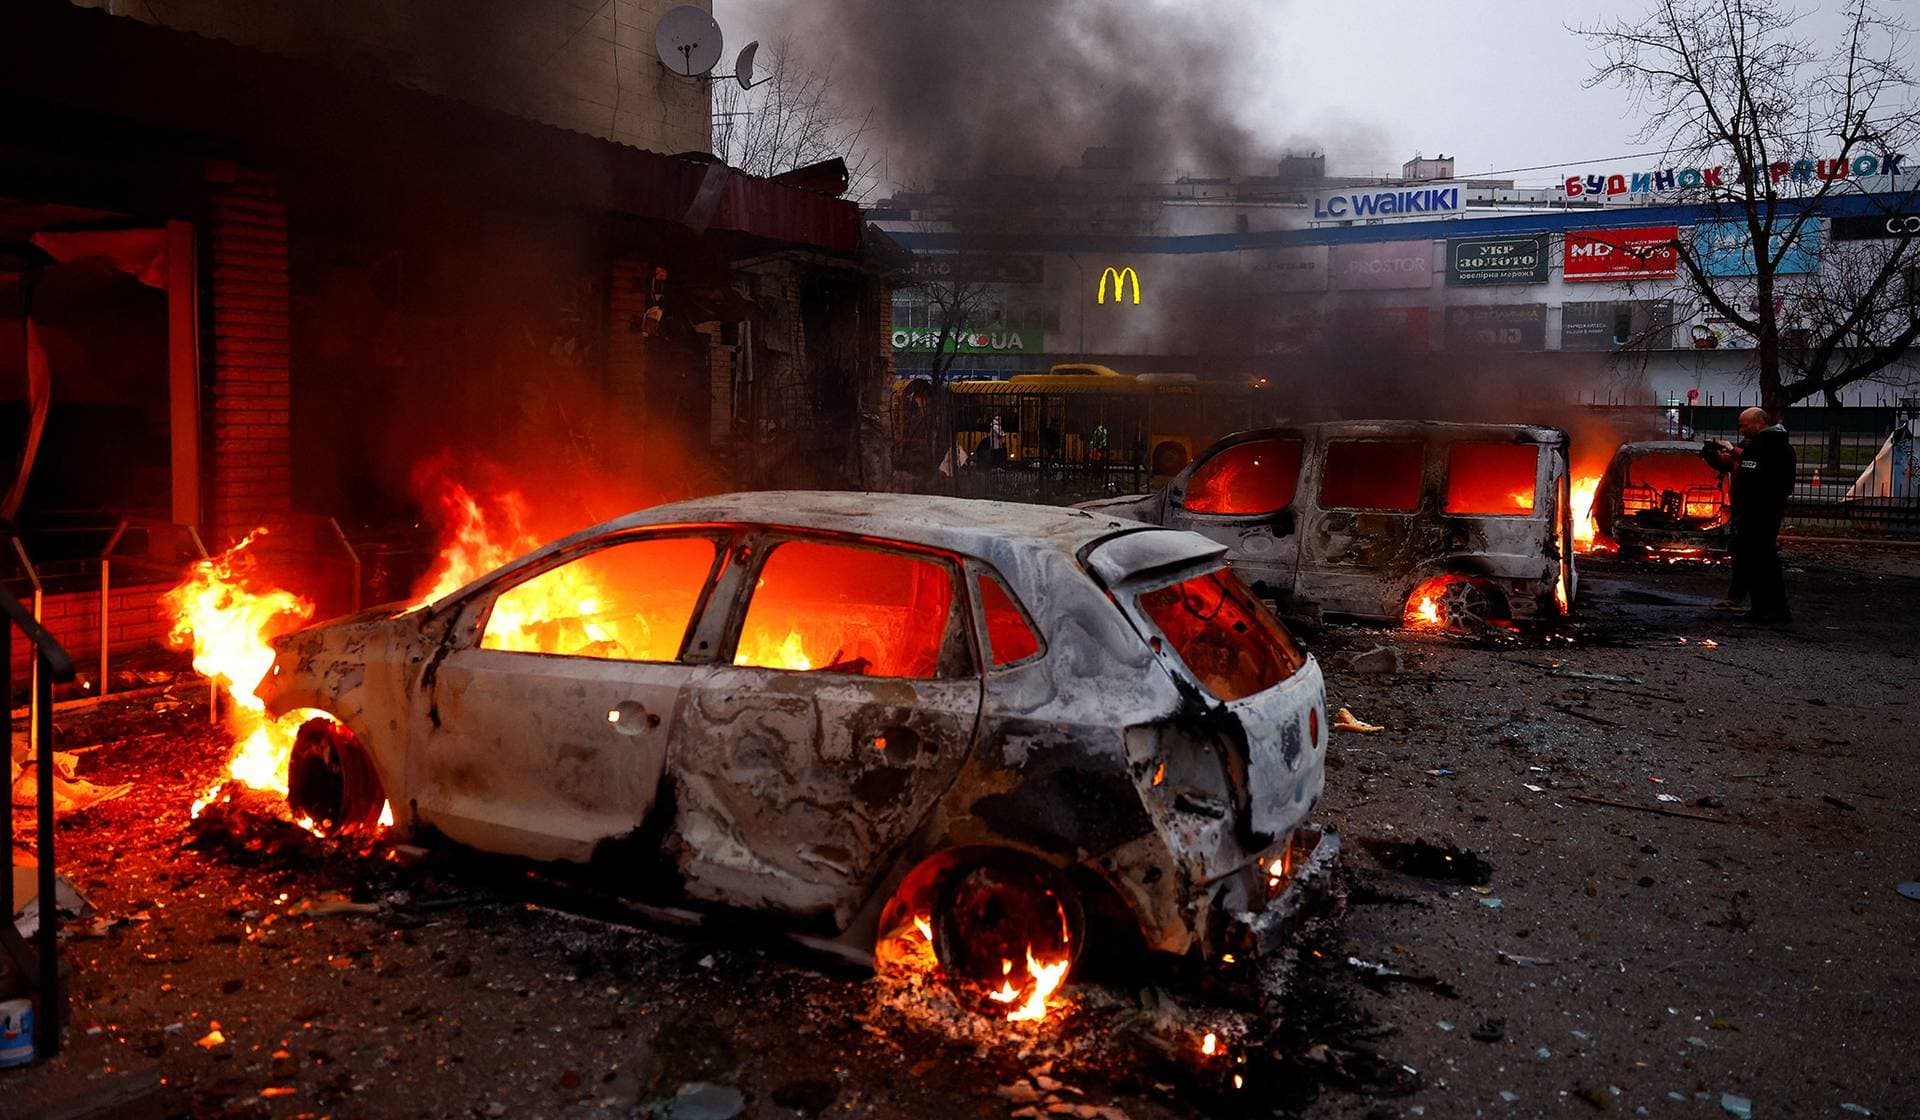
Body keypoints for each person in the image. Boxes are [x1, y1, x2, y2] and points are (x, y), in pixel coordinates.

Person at [1701, 407, 1795, 623]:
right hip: (1748, 513)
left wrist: (1733, 450)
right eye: (1740, 425)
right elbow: (1737, 464)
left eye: (1745, 425)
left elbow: (1754, 467)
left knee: (1762, 561)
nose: (1741, 429)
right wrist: (1714, 456)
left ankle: (1772, 611)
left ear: (1761, 423)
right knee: (1748, 558)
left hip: (1762, 513)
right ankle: (1758, 607)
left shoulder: (1775, 446)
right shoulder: (1755, 444)